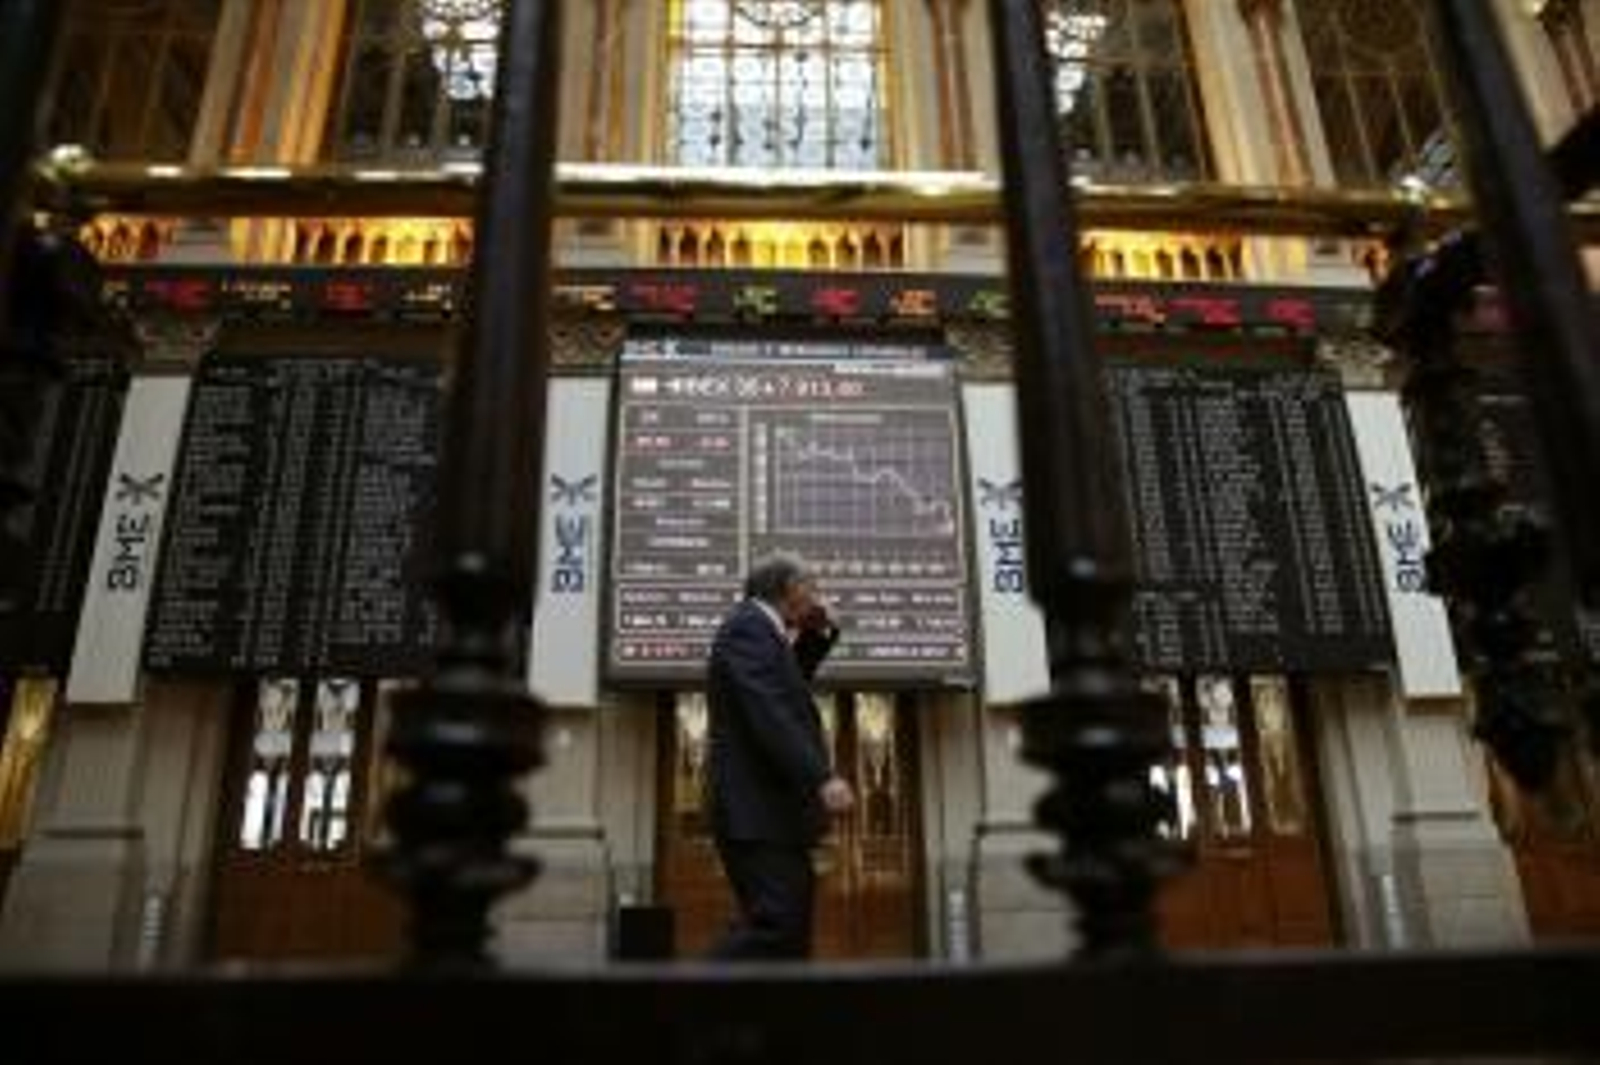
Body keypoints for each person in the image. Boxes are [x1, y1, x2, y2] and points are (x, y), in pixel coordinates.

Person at [705, 554, 854, 960]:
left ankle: (773, 1019)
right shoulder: (747, 628)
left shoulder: (763, 631)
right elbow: (769, 709)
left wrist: (818, 634)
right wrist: (821, 776)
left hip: (772, 816)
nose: (818, 597)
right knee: (776, 926)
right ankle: (681, 1002)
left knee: (789, 935)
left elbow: (787, 684)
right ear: (790, 588)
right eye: (813, 587)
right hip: (755, 813)